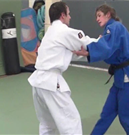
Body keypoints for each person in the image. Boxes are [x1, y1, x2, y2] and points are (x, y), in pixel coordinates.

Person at [73, 4, 129, 135]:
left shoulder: (115, 27)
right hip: (120, 80)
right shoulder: (110, 30)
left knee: (126, 117)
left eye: (99, 15)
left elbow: (105, 48)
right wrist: (92, 49)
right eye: (96, 16)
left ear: (108, 15)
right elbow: (108, 51)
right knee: (106, 114)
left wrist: (89, 51)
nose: (97, 19)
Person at [28, 2, 98, 135]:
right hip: (51, 83)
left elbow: (70, 53)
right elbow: (85, 43)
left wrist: (89, 55)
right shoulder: (63, 31)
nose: (70, 17)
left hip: (38, 84)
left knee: (47, 125)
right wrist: (104, 42)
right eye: (69, 14)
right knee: (71, 121)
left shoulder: (50, 33)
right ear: (62, 15)